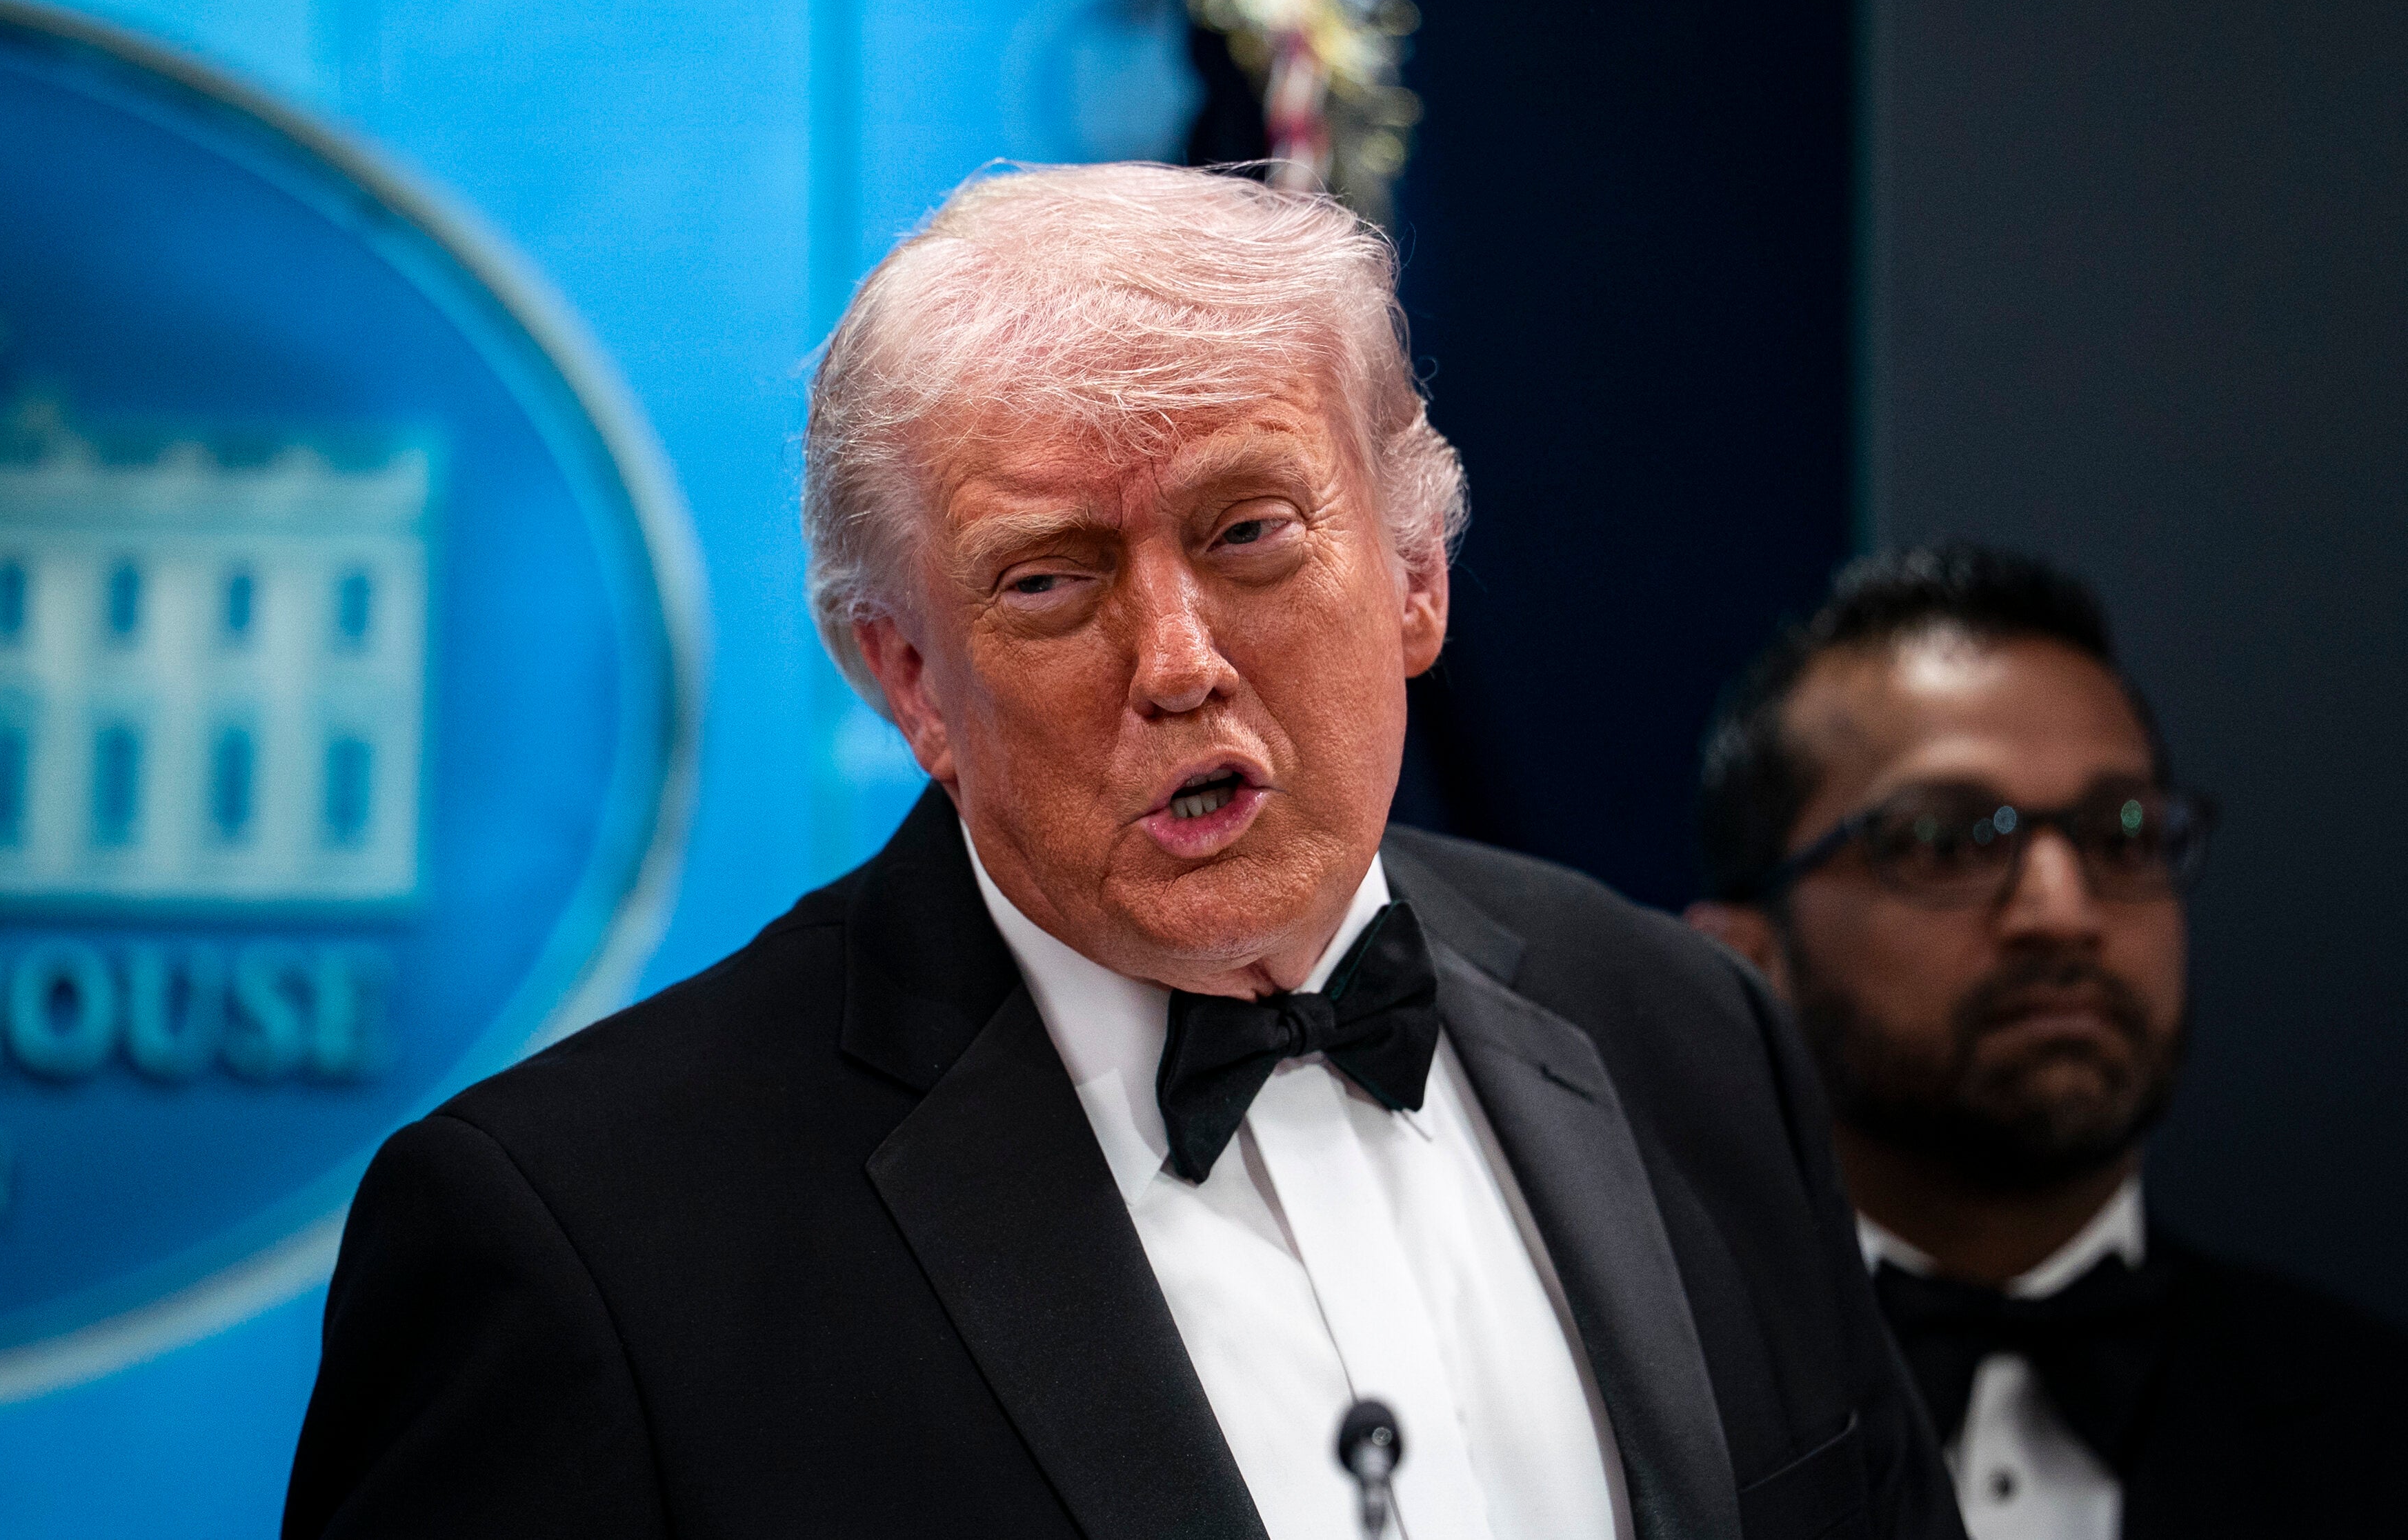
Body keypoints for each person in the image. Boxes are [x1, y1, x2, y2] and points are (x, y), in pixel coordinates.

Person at [283, 164, 1959, 1540]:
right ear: (910, 677)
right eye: (1049, 581)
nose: (1175, 660)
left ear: (1416, 576)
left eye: (1248, 533)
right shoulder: (582, 1237)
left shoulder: (1687, 1032)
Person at [1685, 544, 2408, 1540]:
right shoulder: (1628, 1407)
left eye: (2120, 837)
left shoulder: (2374, 1423)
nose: (2062, 912)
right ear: (1745, 961)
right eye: (1944, 841)